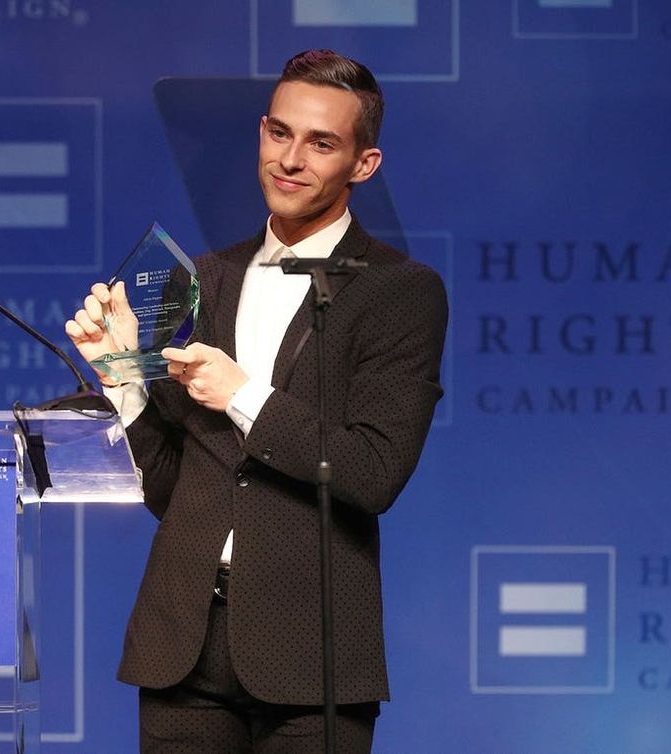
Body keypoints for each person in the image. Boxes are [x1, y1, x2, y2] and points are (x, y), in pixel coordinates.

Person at [66, 49, 448, 754]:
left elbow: (373, 473)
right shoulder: (204, 279)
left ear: (363, 165)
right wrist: (123, 381)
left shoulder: (399, 291)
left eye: (321, 143)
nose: (290, 160)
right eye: (279, 132)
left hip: (311, 656)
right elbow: (176, 490)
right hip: (182, 648)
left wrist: (243, 395)